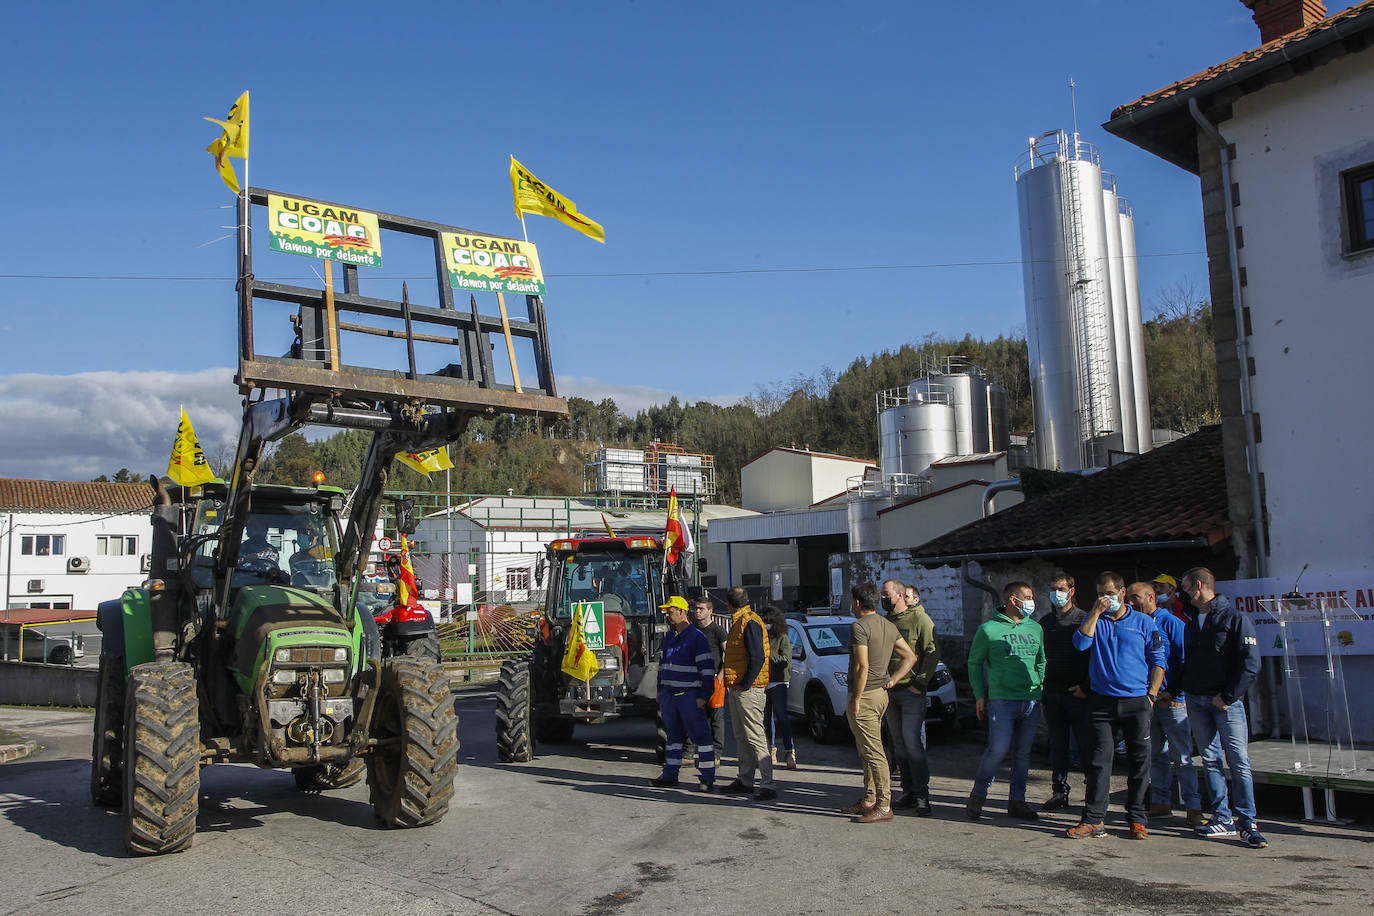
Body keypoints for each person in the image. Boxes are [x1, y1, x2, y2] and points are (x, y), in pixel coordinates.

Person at [1066, 572, 1166, 840]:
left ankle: (1137, 818)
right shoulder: (1096, 621)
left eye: (1109, 593)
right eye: (1101, 593)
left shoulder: (1143, 622)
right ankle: (1094, 819)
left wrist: (1151, 695)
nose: (1105, 597)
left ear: (1122, 592)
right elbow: (1080, 644)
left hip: (1136, 701)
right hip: (1102, 701)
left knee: (1139, 761)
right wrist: (1095, 613)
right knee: (1098, 761)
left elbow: (1158, 660)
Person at [1180, 567, 1267, 848]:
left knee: (1238, 762)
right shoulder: (1192, 622)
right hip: (1196, 700)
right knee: (1210, 759)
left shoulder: (1235, 618)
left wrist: (1228, 696)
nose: (1183, 595)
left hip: (1226, 704)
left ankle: (1248, 821)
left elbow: (1251, 664)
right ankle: (1222, 817)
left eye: (1184, 588)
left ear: (1198, 586)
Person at [1127, 582, 1208, 828]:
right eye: (1128, 598)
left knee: (1182, 757)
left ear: (1151, 597)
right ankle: (1161, 802)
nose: (1130, 602)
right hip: (1147, 702)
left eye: (1135, 597)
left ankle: (1193, 807)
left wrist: (1174, 691)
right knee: (1155, 756)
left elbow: (1187, 661)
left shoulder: (1172, 623)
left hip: (1172, 701)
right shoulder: (1135, 623)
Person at [966, 581, 1046, 822]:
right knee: (997, 751)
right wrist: (980, 695)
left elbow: (1041, 660)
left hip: (1030, 701)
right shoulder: (989, 630)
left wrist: (1039, 687)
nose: (1032, 602)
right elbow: (974, 663)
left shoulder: (1035, 628)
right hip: (1002, 700)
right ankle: (978, 796)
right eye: (1028, 597)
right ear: (1013, 599)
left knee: (1022, 754)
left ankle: (1017, 801)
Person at [841, 582, 916, 824]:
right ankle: (870, 799)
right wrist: (893, 679)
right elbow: (910, 656)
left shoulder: (859, 627)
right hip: (881, 694)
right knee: (867, 749)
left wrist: (856, 699)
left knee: (874, 752)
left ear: (857, 602)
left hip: (866, 694)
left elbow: (862, 666)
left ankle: (884, 804)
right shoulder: (888, 625)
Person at [1035, 570, 1093, 811]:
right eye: (1053, 589)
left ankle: (1093, 795)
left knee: (1087, 746)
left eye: (1060, 589)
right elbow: (1039, 658)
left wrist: (1087, 687)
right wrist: (1042, 693)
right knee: (1058, 747)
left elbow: (1095, 656)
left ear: (1071, 591)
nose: (1056, 594)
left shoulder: (1085, 619)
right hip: (1052, 693)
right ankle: (1059, 792)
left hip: (1079, 694)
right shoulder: (1045, 623)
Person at [881, 579, 939, 815]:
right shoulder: (887, 622)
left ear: (900, 596)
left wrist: (920, 684)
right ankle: (908, 792)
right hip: (890, 691)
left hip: (911, 691)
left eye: (886, 594)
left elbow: (932, 652)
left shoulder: (919, 619)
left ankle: (922, 796)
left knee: (913, 744)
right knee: (899, 746)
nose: (883, 599)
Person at [651, 596, 717, 791]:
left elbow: (707, 669)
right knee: (672, 737)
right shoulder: (670, 638)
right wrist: (661, 693)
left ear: (681, 612)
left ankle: (707, 778)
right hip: (670, 696)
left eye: (670, 612)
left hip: (689, 696)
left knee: (701, 737)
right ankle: (670, 775)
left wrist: (703, 697)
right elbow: (663, 666)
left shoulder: (697, 638)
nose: (667, 616)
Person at [719, 587, 776, 801]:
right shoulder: (742, 620)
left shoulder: (748, 622)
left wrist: (746, 683)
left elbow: (757, 656)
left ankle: (767, 783)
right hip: (740, 687)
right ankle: (745, 780)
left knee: (755, 736)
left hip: (748, 690)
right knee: (743, 736)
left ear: (729, 604)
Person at [690, 596, 728, 763]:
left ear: (710, 611)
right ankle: (689, 752)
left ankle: (716, 753)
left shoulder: (718, 631)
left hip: (714, 679)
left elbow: (729, 654)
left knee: (716, 719)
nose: (697, 612)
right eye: (696, 609)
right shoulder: (692, 631)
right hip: (695, 680)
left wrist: (721, 675)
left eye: (701, 609)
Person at [760, 605, 796, 769]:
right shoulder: (761, 636)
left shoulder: (782, 637)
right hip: (763, 682)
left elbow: (785, 660)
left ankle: (789, 751)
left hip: (779, 681)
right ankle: (771, 749)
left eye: (769, 622)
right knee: (766, 719)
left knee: (782, 716)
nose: (766, 625)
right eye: (764, 621)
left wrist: (768, 655)